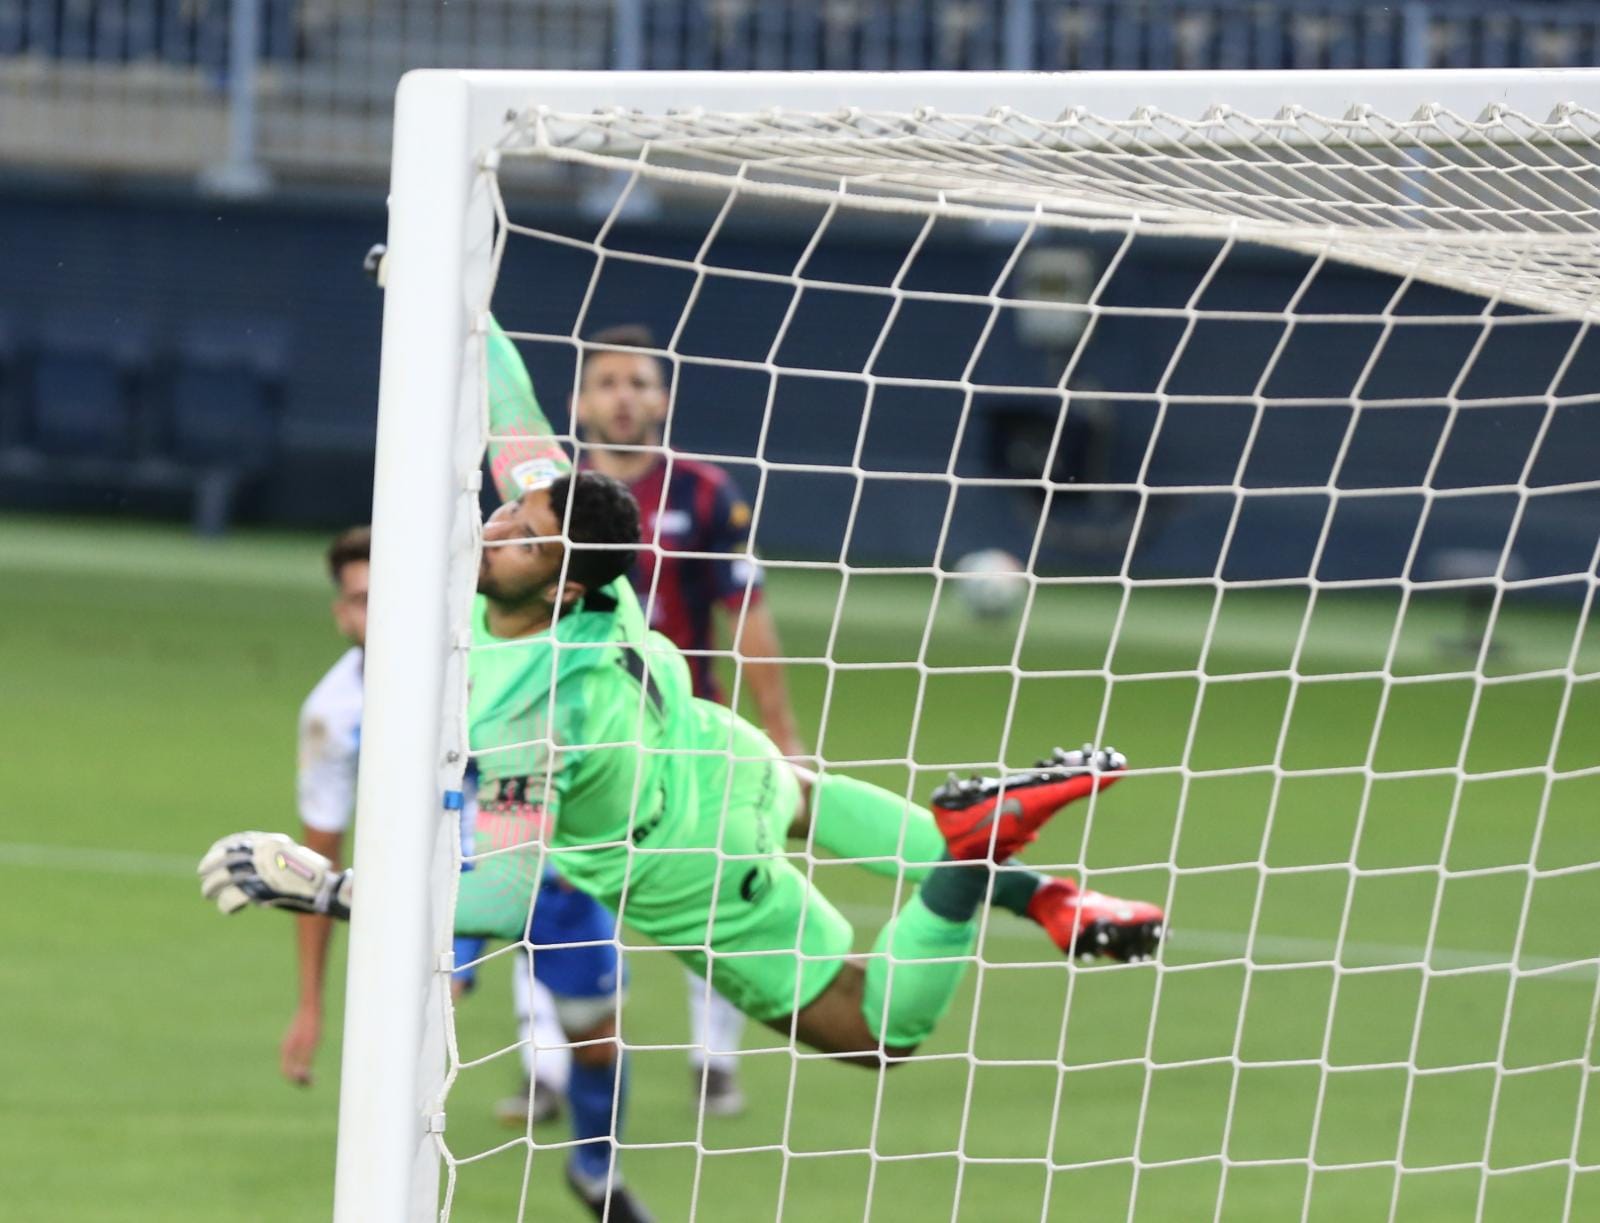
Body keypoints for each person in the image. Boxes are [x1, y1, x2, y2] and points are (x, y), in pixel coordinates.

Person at [202, 470, 1165, 1084]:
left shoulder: (523, 716)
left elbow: (496, 898)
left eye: (519, 535)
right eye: (509, 513)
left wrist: (326, 890)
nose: (494, 528)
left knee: (876, 1030)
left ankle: (968, 853)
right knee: (820, 805)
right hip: (725, 757)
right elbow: (521, 418)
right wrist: (462, 309)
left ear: (560, 583)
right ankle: (1046, 894)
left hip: (685, 865)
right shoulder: (605, 581)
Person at [279, 525, 651, 1223]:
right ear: (341, 614)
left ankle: (596, 1174)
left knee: (596, 1037)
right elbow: (319, 854)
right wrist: (310, 1003)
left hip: (551, 867)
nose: (376, 612)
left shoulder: (495, 653)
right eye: (360, 599)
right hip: (440, 884)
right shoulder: (334, 714)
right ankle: (389, 1193)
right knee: (417, 1016)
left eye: (387, 593)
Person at [573, 323, 807, 1114]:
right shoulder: (551, 494)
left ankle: (716, 1059)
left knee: (714, 891)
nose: (624, 397)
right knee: (562, 892)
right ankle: (549, 1064)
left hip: (690, 731)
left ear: (663, 399)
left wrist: (782, 735)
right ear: (581, 402)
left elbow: (748, 612)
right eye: (607, 382)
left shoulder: (704, 492)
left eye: (638, 382)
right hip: (580, 733)